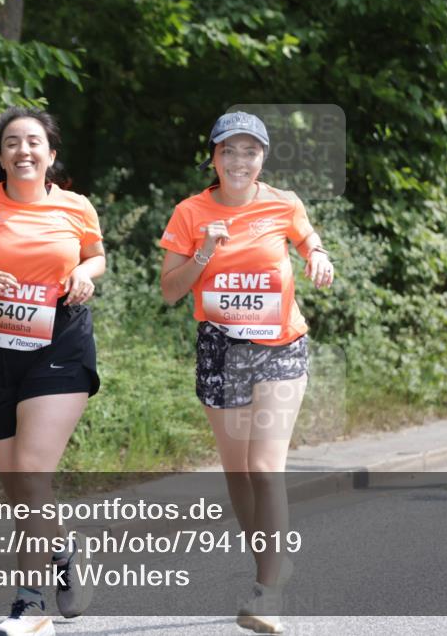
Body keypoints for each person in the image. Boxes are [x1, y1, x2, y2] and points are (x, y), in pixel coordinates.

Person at [0, 107, 105, 636]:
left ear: (50, 155)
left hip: (60, 342)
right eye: (12, 142)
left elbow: (96, 257)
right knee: (19, 487)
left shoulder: (76, 206)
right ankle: (64, 549)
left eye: (33, 142)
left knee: (30, 474)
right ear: (1, 155)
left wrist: (84, 272)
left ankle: (30, 606)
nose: (23, 150)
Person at [159, 111, 334, 634]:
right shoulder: (190, 212)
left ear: (263, 158)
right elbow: (170, 291)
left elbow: (308, 239)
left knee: (264, 466)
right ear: (213, 157)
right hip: (220, 349)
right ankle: (269, 566)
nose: (239, 160)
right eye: (228, 150)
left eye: (250, 151)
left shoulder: (284, 202)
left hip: (279, 347)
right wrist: (204, 252)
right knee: (238, 473)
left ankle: (267, 592)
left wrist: (318, 256)